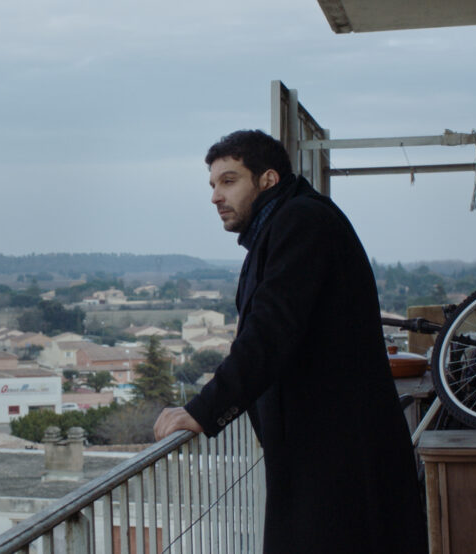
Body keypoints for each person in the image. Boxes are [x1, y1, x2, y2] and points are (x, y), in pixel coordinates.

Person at [153, 130, 427, 552]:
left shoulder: (301, 222)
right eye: (213, 184)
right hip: (324, 454)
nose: (215, 196)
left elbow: (269, 332)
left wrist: (203, 410)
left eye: (229, 181)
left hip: (337, 460)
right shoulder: (279, 229)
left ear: (268, 179)